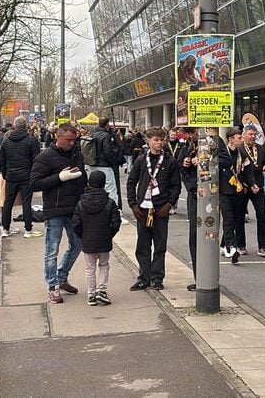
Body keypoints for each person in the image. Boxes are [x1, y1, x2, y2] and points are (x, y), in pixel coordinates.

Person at [30, 123, 87, 304]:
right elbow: (35, 183)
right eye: (68, 140)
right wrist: (59, 178)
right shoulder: (45, 157)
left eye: (74, 140)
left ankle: (62, 276)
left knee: (78, 243)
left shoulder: (77, 154)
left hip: (74, 208)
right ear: (58, 137)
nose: (71, 143)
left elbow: (82, 178)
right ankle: (52, 286)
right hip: (54, 209)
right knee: (51, 250)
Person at [127, 127, 181, 290]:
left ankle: (157, 277)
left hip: (160, 208)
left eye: (161, 140)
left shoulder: (169, 161)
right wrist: (133, 203)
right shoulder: (141, 160)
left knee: (160, 244)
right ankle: (144, 276)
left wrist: (170, 204)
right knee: (142, 245)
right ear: (148, 141)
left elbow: (176, 186)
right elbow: (131, 182)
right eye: (155, 140)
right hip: (143, 208)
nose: (159, 143)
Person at [72, 170, 121, 306]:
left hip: (88, 240)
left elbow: (76, 224)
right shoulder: (109, 202)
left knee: (90, 268)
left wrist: (83, 235)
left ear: (89, 184)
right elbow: (116, 223)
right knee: (104, 265)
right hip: (104, 239)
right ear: (104, 184)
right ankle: (102, 291)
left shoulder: (81, 203)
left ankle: (91, 294)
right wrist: (109, 234)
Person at [0, 116, 42, 238]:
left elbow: (1, 161)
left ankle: (5, 229)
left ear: (14, 126)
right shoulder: (31, 141)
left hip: (11, 176)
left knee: (8, 203)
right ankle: (28, 230)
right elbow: (36, 160)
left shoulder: (6, 141)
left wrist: (5, 174)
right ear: (25, 126)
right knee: (26, 202)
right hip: (26, 176)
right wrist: (34, 174)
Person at [238, 124, 265, 257]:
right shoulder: (240, 149)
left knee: (262, 215)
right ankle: (240, 244)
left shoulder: (260, 148)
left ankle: (263, 246)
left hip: (258, 186)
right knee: (240, 216)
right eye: (250, 134)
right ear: (244, 135)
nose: (253, 137)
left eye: (254, 135)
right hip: (244, 187)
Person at [175, 128, 199, 290]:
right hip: (195, 194)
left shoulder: (218, 145)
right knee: (194, 237)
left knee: (207, 237)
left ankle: (208, 277)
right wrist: (186, 163)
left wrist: (206, 161)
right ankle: (199, 277)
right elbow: (180, 168)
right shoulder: (188, 148)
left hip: (212, 196)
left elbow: (225, 164)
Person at [218, 127, 245, 264]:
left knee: (234, 220)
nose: (242, 140)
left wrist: (251, 184)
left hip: (238, 191)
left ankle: (223, 245)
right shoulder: (223, 153)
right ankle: (232, 248)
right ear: (231, 139)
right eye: (239, 138)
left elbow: (247, 170)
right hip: (224, 191)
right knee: (228, 219)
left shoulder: (242, 153)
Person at [87, 117, 121, 207]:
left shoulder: (93, 134)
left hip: (93, 163)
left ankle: (96, 206)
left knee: (95, 187)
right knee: (111, 188)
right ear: (107, 124)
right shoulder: (106, 135)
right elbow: (107, 151)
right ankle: (114, 209)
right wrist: (113, 161)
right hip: (105, 164)